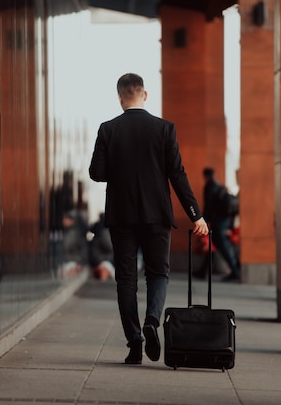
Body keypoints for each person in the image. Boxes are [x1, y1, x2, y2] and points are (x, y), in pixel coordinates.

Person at [89, 73, 208, 365]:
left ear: (120, 98)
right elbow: (177, 174)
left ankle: (134, 343)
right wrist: (196, 215)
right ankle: (152, 321)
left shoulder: (108, 129)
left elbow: (97, 173)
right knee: (158, 274)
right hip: (156, 214)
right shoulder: (164, 129)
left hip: (121, 215)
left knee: (126, 280)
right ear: (145, 94)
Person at [197, 167, 241, 282]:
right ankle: (203, 271)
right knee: (213, 246)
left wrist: (203, 221)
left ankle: (235, 271)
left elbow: (208, 206)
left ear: (205, 176)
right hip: (223, 221)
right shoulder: (219, 186)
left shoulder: (209, 187)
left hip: (218, 222)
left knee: (222, 247)